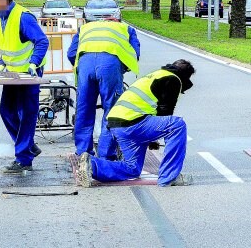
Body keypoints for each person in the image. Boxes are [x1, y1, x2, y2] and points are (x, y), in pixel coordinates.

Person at [77, 59, 196, 188]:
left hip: (118, 123)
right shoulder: (173, 79)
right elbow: (165, 111)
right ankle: (169, 177)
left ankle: (92, 165)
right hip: (134, 122)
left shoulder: (156, 74)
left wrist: (152, 137)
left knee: (132, 168)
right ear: (185, 77)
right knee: (177, 125)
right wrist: (154, 138)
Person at [0, 0, 49, 173]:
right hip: (13, 74)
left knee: (27, 113)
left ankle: (24, 158)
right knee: (7, 111)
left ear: (5, 0)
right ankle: (27, 145)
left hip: (29, 73)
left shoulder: (23, 17)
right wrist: (0, 64)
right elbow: (8, 48)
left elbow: (42, 41)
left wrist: (33, 64)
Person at [67, 19, 140, 160]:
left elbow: (71, 53)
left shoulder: (85, 28)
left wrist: (82, 65)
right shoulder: (126, 29)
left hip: (85, 65)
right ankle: (106, 155)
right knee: (112, 111)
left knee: (84, 109)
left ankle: (83, 152)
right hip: (110, 64)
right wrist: (121, 68)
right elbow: (134, 53)